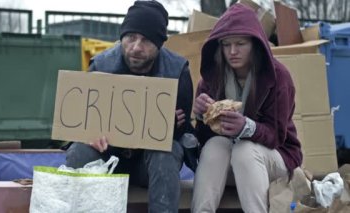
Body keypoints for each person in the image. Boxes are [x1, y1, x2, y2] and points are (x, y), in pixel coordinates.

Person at [65, 1, 194, 212]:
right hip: (107, 159)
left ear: (159, 44)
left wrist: (168, 128)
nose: (136, 47)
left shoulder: (177, 71)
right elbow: (79, 125)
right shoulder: (101, 66)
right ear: (122, 37)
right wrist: (90, 134)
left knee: (168, 149)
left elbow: (184, 131)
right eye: (131, 38)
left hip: (149, 164)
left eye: (145, 40)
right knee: (79, 151)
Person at [191, 3, 303, 213]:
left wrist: (247, 127)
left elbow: (277, 136)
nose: (233, 51)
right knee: (215, 145)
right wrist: (201, 115)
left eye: (240, 44)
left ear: (256, 44)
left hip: (275, 157)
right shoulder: (211, 78)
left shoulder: (279, 78)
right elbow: (204, 138)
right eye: (226, 45)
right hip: (228, 162)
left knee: (245, 150)